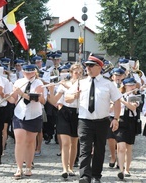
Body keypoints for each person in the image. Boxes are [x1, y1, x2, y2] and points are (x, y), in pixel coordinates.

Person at [65, 54, 121, 183]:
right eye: (87, 65)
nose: (88, 68)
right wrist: (74, 96)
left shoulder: (108, 84)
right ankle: (85, 176)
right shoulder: (81, 82)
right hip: (85, 120)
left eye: (91, 65)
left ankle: (96, 175)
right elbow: (67, 98)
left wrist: (116, 118)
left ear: (99, 67)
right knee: (85, 148)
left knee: (100, 149)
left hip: (102, 121)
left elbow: (117, 100)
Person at [6, 64, 46, 179]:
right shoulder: (18, 82)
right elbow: (14, 99)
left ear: (35, 72)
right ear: (23, 72)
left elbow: (38, 99)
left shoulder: (39, 83)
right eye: (26, 72)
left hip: (34, 115)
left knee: (30, 141)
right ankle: (19, 167)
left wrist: (22, 94)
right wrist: (6, 96)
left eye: (31, 72)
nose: (29, 74)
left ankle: (28, 166)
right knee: (19, 140)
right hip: (19, 114)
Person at [49, 63, 83, 179]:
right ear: (71, 73)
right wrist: (51, 90)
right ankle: (64, 168)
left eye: (79, 72)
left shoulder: (84, 84)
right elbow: (54, 101)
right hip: (64, 112)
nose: (77, 75)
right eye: (75, 72)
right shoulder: (64, 84)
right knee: (66, 142)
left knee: (74, 142)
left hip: (78, 113)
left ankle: (71, 167)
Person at [114, 77, 139, 180]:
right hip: (120, 121)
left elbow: (133, 107)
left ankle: (127, 169)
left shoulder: (135, 96)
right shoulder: (118, 95)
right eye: (130, 85)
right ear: (125, 86)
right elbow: (112, 108)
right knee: (121, 147)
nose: (132, 87)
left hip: (130, 122)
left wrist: (122, 101)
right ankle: (121, 169)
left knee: (128, 147)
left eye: (133, 85)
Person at [106, 67, 126, 168]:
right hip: (110, 114)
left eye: (119, 75)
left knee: (120, 139)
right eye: (116, 75)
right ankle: (113, 156)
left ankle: (120, 157)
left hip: (122, 115)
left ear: (123, 76)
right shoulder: (109, 86)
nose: (117, 77)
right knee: (110, 138)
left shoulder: (126, 86)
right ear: (112, 76)